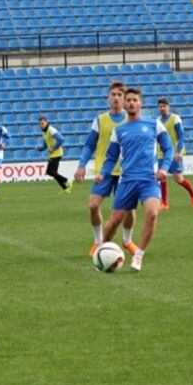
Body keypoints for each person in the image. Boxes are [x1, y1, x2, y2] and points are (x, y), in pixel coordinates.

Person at [97, 87, 173, 271]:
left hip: (149, 180)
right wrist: (103, 173)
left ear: (141, 103)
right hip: (127, 181)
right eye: (128, 100)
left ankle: (138, 256)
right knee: (114, 221)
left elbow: (169, 148)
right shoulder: (119, 130)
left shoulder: (154, 125)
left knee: (152, 214)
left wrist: (164, 168)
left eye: (134, 100)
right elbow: (111, 157)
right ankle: (100, 252)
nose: (131, 103)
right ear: (124, 104)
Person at [74, 82, 138, 257]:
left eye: (119, 95)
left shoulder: (131, 120)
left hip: (126, 172)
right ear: (108, 98)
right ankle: (97, 241)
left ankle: (127, 241)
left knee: (130, 210)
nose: (116, 98)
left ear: (124, 99)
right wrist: (81, 165)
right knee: (93, 205)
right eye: (113, 95)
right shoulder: (100, 120)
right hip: (103, 171)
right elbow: (89, 145)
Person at [156, 98, 193, 210]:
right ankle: (164, 203)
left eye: (164, 106)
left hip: (174, 153)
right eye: (160, 106)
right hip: (161, 154)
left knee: (178, 179)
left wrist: (179, 151)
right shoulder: (157, 121)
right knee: (162, 177)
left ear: (168, 107)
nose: (162, 108)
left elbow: (181, 135)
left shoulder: (175, 118)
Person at [36, 116, 72, 194]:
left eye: (42, 123)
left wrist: (53, 148)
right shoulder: (45, 132)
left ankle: (67, 180)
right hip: (53, 154)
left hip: (57, 154)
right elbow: (45, 145)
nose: (41, 125)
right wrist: (39, 149)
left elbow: (61, 139)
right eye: (40, 124)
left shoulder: (51, 130)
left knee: (50, 172)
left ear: (46, 122)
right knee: (54, 173)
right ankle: (66, 189)